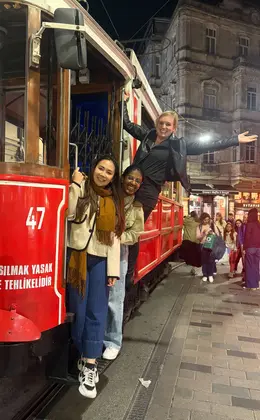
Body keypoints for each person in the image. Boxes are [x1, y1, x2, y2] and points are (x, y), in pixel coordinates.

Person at [121, 91, 258, 286]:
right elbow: (127, 125)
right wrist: (124, 100)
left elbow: (207, 145)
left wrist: (235, 140)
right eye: (161, 123)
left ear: (174, 128)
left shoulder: (178, 145)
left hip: (149, 190)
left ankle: (127, 276)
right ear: (157, 124)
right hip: (132, 184)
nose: (164, 127)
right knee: (119, 221)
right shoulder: (148, 136)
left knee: (133, 228)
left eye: (168, 124)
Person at [67, 155, 125, 399]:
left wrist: (113, 271)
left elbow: (114, 238)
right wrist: (76, 185)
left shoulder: (113, 200)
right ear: (93, 169)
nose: (103, 174)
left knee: (97, 312)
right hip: (77, 260)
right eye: (101, 168)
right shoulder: (80, 189)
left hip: (100, 261)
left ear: (113, 178)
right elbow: (70, 215)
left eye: (109, 172)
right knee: (79, 312)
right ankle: (83, 353)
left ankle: (90, 364)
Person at [103, 165, 144, 360]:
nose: (133, 183)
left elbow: (135, 234)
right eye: (130, 178)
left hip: (119, 253)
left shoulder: (137, 207)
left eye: (137, 181)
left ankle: (113, 341)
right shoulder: (109, 196)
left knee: (115, 298)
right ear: (123, 178)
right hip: (99, 250)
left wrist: (116, 237)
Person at [197, 213, 219, 283]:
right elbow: (198, 238)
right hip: (203, 245)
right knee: (204, 261)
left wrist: (212, 233)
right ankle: (205, 275)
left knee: (211, 261)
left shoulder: (212, 225)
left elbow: (217, 234)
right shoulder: (199, 227)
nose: (206, 221)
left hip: (211, 246)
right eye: (205, 220)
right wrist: (204, 234)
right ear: (202, 219)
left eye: (207, 220)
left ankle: (210, 274)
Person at [243, 208, 260, 291]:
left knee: (249, 266)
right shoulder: (258, 224)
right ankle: (256, 284)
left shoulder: (249, 224)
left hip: (250, 247)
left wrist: (244, 247)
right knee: (256, 265)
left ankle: (250, 284)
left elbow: (247, 237)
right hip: (258, 248)